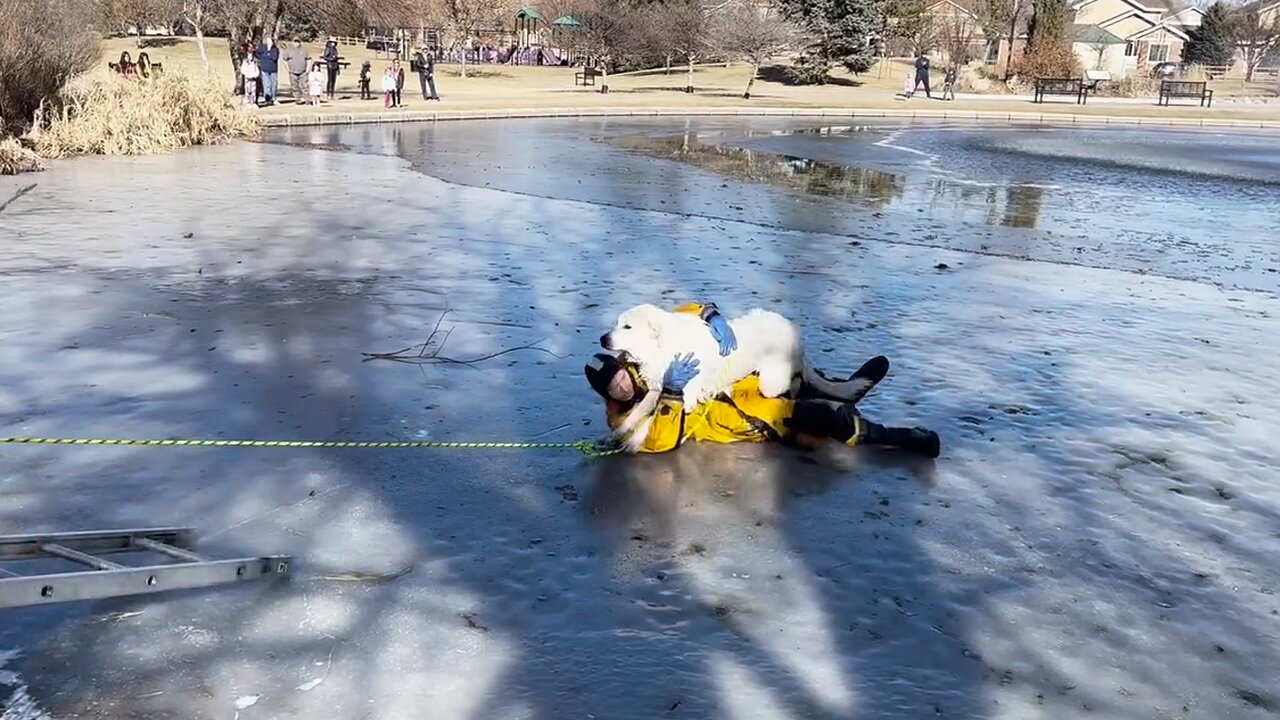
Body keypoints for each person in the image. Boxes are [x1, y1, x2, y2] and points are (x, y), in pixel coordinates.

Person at [585, 351, 940, 457]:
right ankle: (903, 438)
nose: (622, 387)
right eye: (614, 389)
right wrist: (673, 394)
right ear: (607, 395)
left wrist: (709, 316)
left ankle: (845, 388)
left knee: (793, 372)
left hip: (747, 386)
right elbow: (662, 441)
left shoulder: (650, 361)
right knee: (829, 418)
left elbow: (686, 317)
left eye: (621, 378)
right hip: (750, 417)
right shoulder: (626, 421)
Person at [282, 38, 310, 104]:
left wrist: (308, 69)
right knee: (295, 87)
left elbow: (309, 59)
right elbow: (284, 59)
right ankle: (297, 99)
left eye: (298, 42)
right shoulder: (289, 50)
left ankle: (307, 99)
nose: (296, 43)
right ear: (293, 42)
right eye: (295, 42)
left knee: (305, 86)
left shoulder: (304, 50)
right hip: (293, 72)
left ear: (300, 42)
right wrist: (287, 69)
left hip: (303, 71)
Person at [254, 36, 281, 105]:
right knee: (266, 84)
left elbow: (274, 58)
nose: (269, 42)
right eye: (267, 41)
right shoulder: (262, 48)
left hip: (273, 70)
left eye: (270, 41)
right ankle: (267, 99)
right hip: (264, 69)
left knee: (274, 85)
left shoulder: (275, 49)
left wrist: (268, 53)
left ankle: (274, 98)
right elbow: (256, 53)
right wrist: (262, 58)